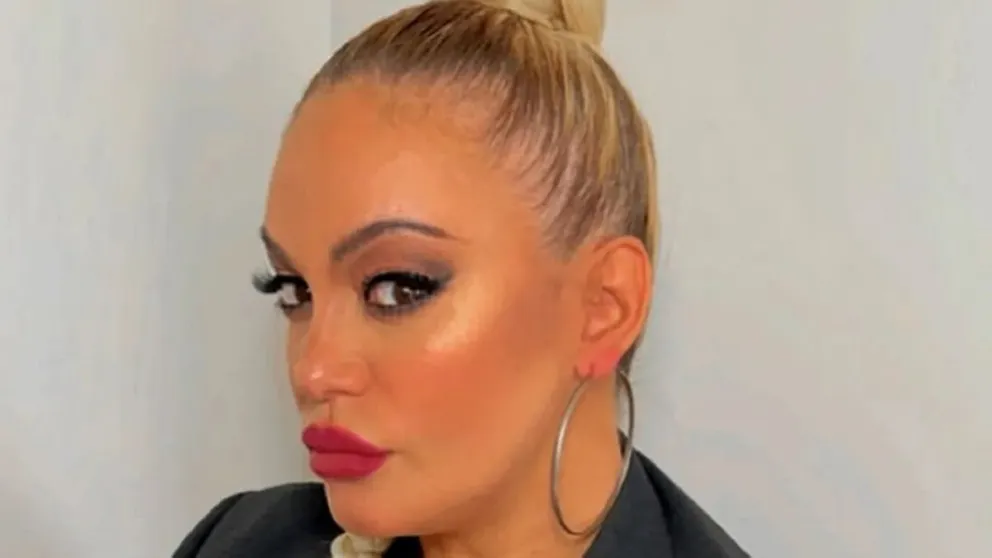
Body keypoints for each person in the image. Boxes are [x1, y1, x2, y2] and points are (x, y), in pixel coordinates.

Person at [174, 1, 748, 556]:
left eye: (397, 288)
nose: (313, 370)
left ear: (604, 306)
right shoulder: (238, 542)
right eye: (293, 290)